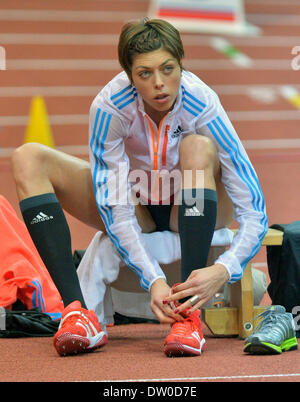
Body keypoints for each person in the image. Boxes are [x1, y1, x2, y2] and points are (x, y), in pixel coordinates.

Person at [11, 18, 268, 357]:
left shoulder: (202, 102)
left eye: (168, 69)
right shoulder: (110, 106)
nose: (160, 84)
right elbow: (115, 208)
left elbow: (253, 209)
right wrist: (153, 279)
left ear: (181, 63)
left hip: (193, 201)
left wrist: (224, 269)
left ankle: (187, 315)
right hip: (137, 206)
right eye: (145, 74)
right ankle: (77, 311)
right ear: (129, 75)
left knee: (198, 147)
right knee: (27, 157)